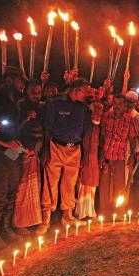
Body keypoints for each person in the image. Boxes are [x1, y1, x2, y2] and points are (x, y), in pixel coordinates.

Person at [37, 79, 92, 234]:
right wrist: (46, 150)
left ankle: (67, 216)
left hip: (75, 149)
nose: (87, 94)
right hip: (55, 147)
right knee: (50, 183)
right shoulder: (55, 104)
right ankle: (46, 218)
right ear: (75, 90)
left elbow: (87, 133)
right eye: (85, 91)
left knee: (70, 183)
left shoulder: (85, 109)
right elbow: (47, 128)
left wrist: (85, 155)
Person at [0, 67, 25, 248]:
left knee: (12, 192)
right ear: (9, 81)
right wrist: (5, 143)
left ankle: (5, 228)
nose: (22, 85)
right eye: (19, 81)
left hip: (12, 153)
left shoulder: (14, 102)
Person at [14, 80, 44, 234]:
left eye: (39, 92)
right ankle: (18, 223)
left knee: (33, 189)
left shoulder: (41, 107)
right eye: (33, 92)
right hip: (18, 154)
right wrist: (25, 119)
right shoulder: (19, 106)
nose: (36, 96)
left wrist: (37, 150)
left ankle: (32, 220)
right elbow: (12, 132)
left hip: (34, 154)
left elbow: (42, 132)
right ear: (26, 91)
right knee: (20, 189)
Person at [99, 94, 135, 218]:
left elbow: (132, 138)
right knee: (104, 185)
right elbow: (102, 136)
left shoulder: (129, 119)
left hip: (120, 156)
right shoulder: (106, 116)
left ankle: (118, 210)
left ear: (125, 106)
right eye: (115, 103)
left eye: (119, 104)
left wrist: (132, 157)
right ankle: (104, 211)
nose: (116, 106)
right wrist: (101, 155)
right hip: (107, 155)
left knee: (119, 185)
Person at [75, 101, 104, 220]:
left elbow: (100, 144)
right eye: (94, 114)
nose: (97, 116)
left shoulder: (99, 127)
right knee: (83, 184)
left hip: (94, 160)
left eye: (99, 114)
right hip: (84, 158)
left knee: (92, 185)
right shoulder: (84, 126)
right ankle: (81, 212)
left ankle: (89, 211)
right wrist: (83, 157)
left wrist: (101, 158)